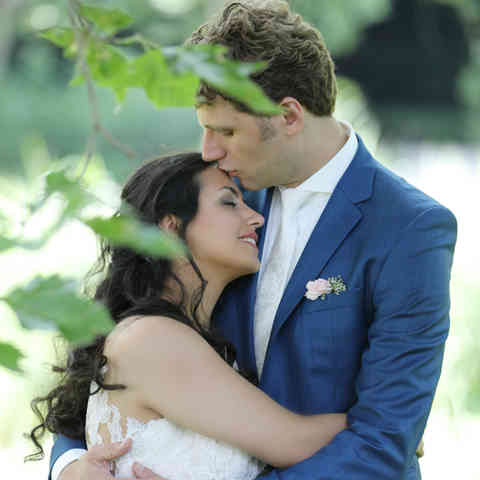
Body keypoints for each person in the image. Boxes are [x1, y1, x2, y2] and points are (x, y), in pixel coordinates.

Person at [48, 1, 457, 479]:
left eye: (225, 130)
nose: (209, 151)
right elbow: (112, 348)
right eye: (205, 129)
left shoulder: (410, 230)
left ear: (288, 116)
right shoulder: (217, 203)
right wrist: (72, 467)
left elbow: (381, 445)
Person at [30, 152, 347, 479]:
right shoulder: (151, 338)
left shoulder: (186, 331)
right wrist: (378, 412)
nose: (257, 218)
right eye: (229, 203)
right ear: (171, 226)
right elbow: (292, 441)